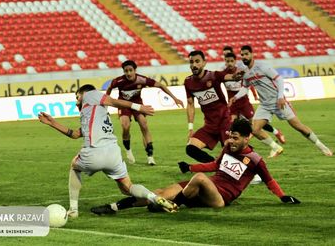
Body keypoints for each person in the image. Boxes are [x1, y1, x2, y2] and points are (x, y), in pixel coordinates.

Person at [90, 119, 300, 215]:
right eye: (230, 137)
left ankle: (173, 205)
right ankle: (114, 207)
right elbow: (215, 165)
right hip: (204, 186)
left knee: (198, 180)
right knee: (161, 192)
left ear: (248, 138)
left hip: (220, 198)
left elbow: (269, 180)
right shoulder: (227, 147)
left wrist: (283, 196)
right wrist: (190, 167)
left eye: (236, 138)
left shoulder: (254, 159)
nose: (231, 141)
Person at [38, 84, 178, 218]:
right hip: (113, 155)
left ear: (84, 94)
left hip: (94, 153)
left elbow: (113, 101)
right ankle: (154, 197)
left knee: (74, 166)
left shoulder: (90, 95)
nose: (76, 102)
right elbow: (75, 134)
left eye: (77, 97)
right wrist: (52, 123)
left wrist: (138, 107)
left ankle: (73, 210)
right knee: (127, 187)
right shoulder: (95, 113)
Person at [230, 45, 332, 157]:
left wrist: (280, 97)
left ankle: (322, 147)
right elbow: (245, 87)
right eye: (242, 55)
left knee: (298, 126)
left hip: (278, 101)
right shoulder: (246, 73)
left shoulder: (263, 67)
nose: (244, 56)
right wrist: (236, 97)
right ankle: (276, 147)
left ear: (251, 54)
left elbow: (279, 79)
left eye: (246, 54)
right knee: (254, 129)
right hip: (265, 104)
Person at [106, 60, 184, 165]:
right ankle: (128, 151)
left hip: (138, 105)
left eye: (130, 70)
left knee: (144, 124)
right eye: (126, 71)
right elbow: (109, 89)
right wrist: (105, 104)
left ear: (135, 70)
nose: (128, 73)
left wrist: (175, 98)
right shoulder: (118, 81)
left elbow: (160, 85)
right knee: (125, 126)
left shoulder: (142, 79)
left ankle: (150, 156)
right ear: (123, 72)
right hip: (123, 104)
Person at [183, 50, 243, 163]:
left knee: (232, 150)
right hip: (210, 125)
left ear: (204, 63)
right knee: (191, 148)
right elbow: (190, 104)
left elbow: (229, 76)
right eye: (191, 62)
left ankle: (254, 173)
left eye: (197, 61)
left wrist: (236, 76)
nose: (194, 65)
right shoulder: (188, 82)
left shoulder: (213, 75)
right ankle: (215, 164)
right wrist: (190, 128)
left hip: (224, 121)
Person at [221, 47, 285, 144]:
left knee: (255, 123)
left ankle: (276, 132)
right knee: (232, 122)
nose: (229, 62)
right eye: (225, 55)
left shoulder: (241, 69)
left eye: (229, 54)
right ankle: (238, 142)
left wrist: (254, 94)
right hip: (233, 102)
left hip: (243, 101)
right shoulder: (223, 72)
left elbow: (248, 84)